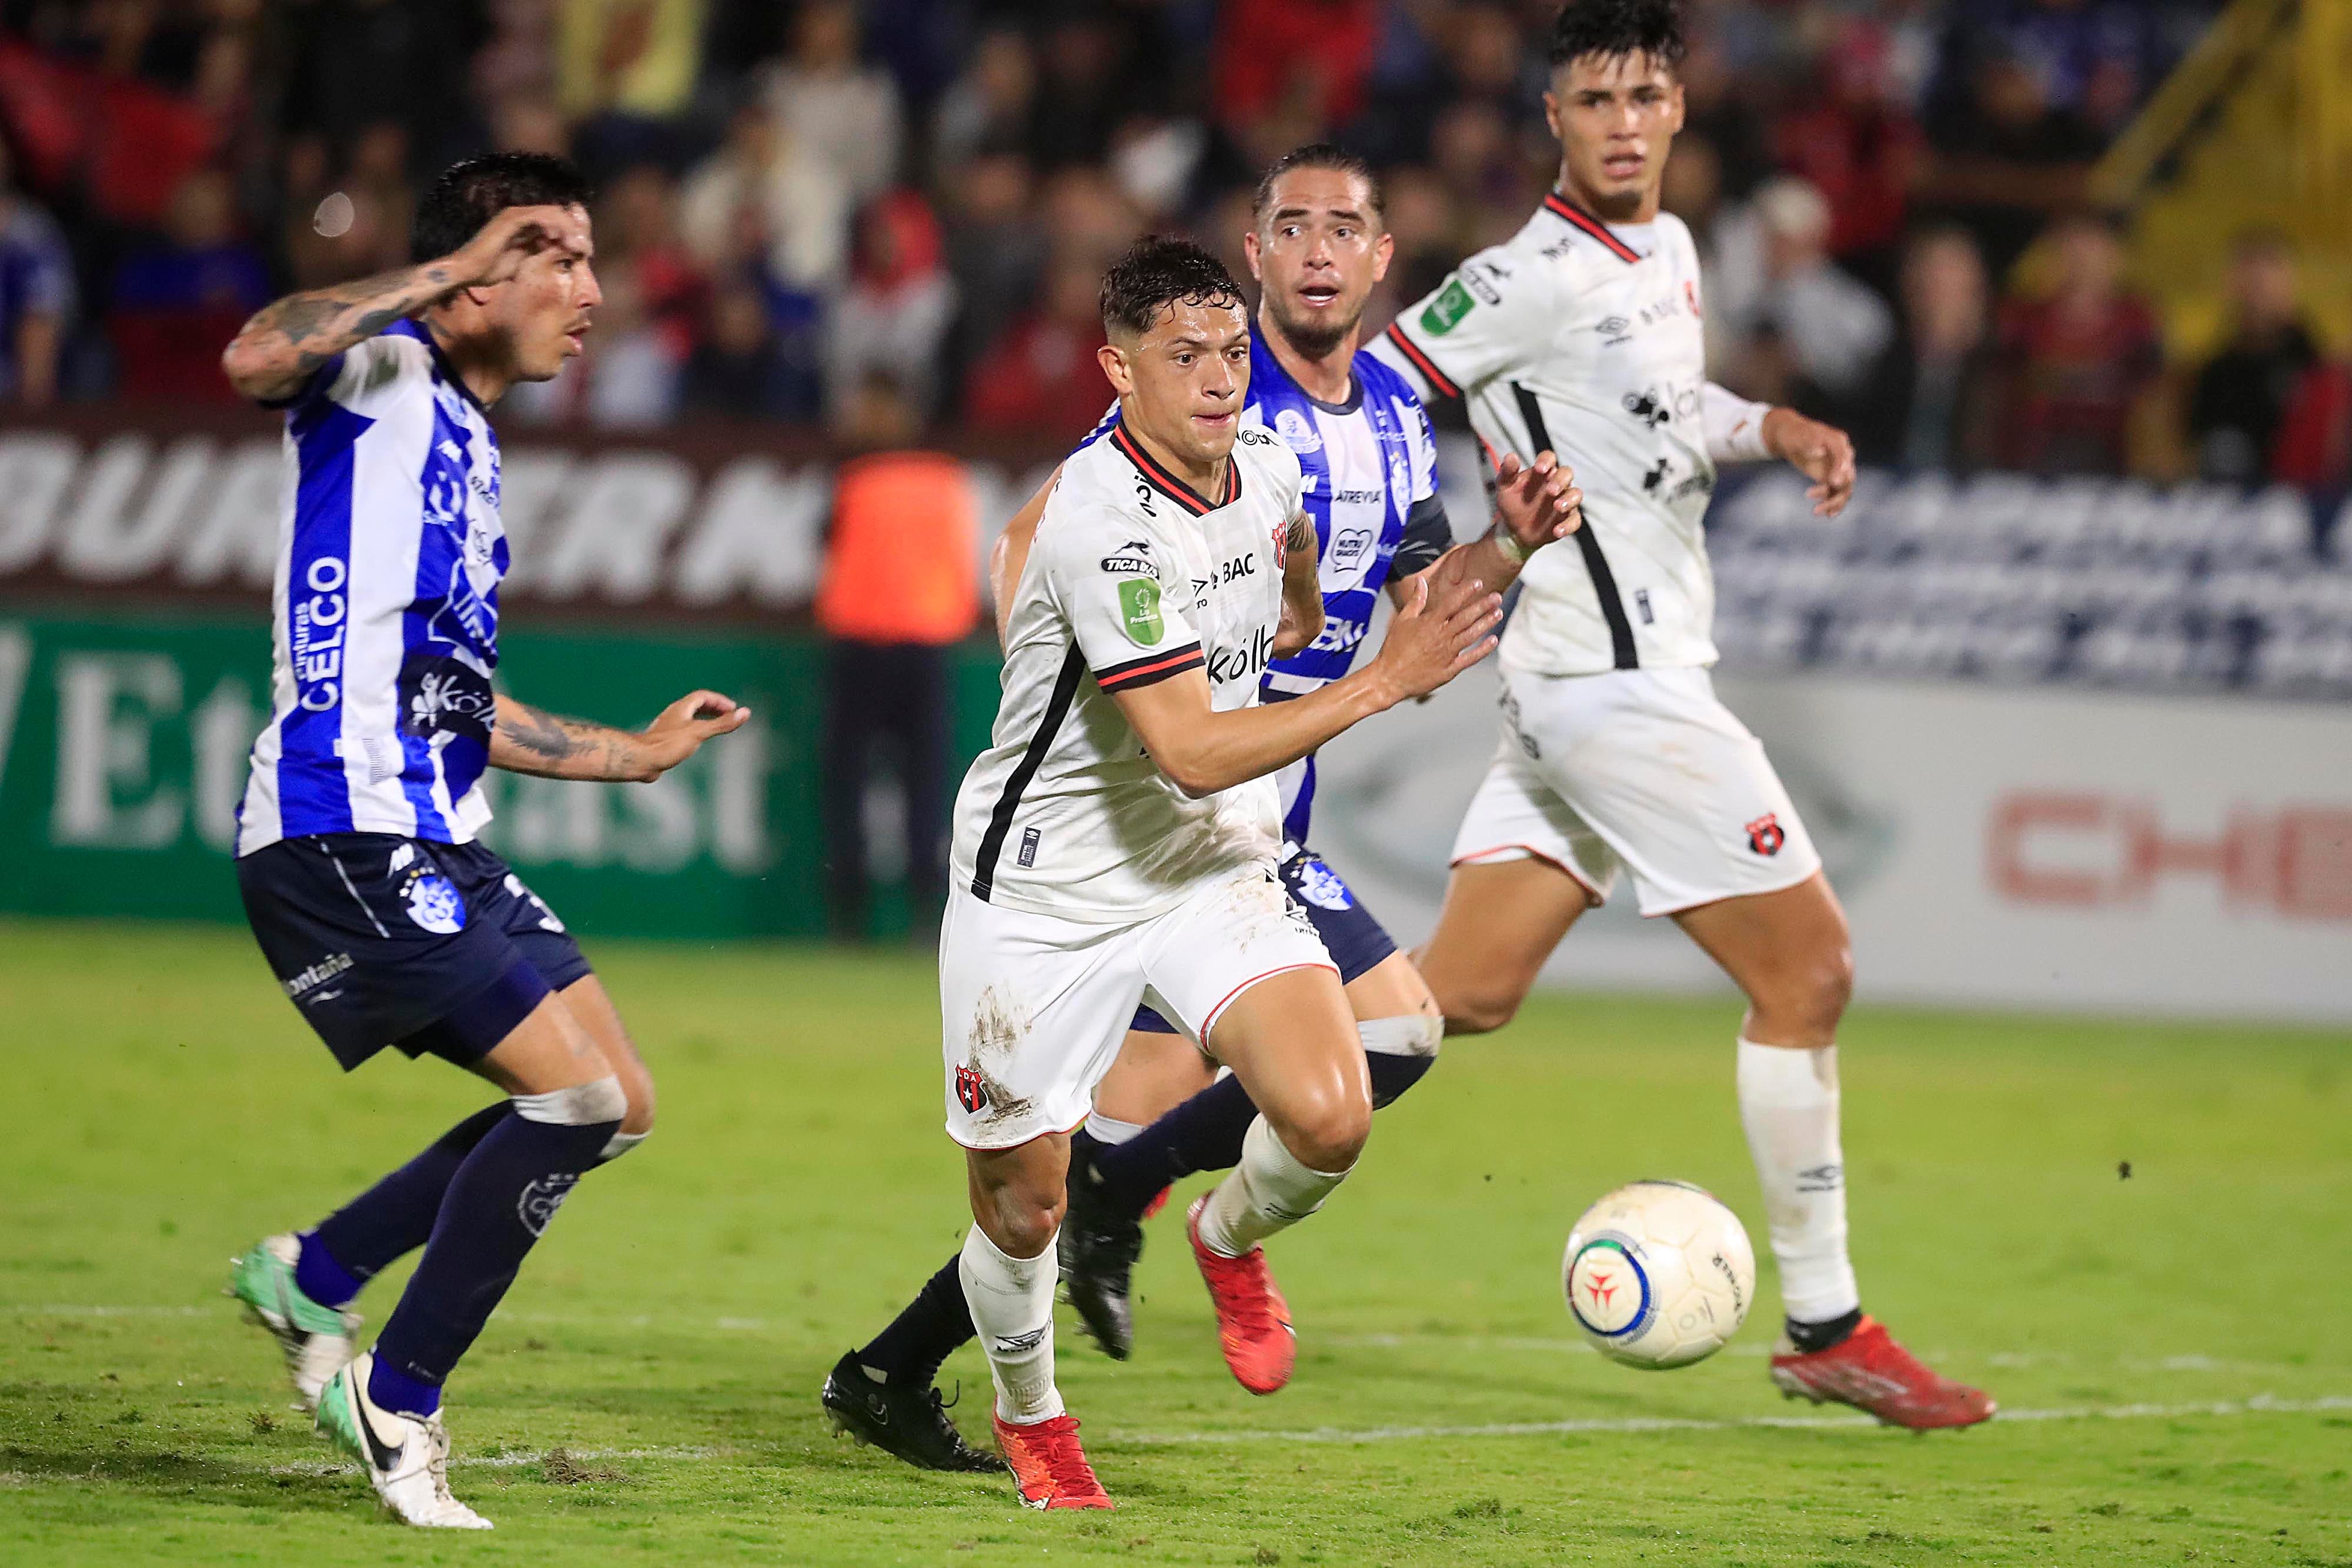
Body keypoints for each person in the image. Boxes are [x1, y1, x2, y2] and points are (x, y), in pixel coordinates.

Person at [1369, 0, 1995, 1431]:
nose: (1623, 123)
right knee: (1809, 975)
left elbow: (1658, 409)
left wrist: (1770, 427)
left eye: (1644, 96)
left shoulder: (1666, 247)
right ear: (1553, 117)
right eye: (1593, 100)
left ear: (1676, 109)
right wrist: (1417, 554)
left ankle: (1155, 1125)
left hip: (1604, 681)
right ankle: (1826, 1324)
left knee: (1454, 996)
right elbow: (1376, 388)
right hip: (1613, 688)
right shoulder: (1517, 275)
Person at [822, 236, 1504, 1509]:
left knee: (1332, 1110)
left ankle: (1220, 1233)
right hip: (1047, 891)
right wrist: (1381, 681)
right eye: (1183, 355)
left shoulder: (1264, 461)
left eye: (1232, 350)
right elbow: (1188, 750)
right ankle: (1031, 1415)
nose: (1218, 377)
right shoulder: (1101, 524)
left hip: (1202, 866)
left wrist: (1301, 604)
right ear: (1118, 370)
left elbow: (1288, 570)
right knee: (1024, 1208)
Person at [217, 153, 750, 1528]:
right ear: (472, 281)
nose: (590, 289)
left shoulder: (468, 435)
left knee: (619, 1104)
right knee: (569, 1103)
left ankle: (315, 1276)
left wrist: (627, 753)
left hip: (436, 828)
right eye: (555, 256)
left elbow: (448, 693)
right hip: (341, 827)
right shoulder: (383, 370)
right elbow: (255, 351)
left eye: (588, 257)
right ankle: (395, 1399)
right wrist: (443, 271)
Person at [1054, 145, 1582, 1365]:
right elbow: (1083, 521)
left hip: (1264, 810)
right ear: (1254, 253)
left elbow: (1422, 614)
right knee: (1060, 1153)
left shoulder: (1395, 417)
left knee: (1382, 1040)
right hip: (1156, 796)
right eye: (1290, 227)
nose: (1316, 251)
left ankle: (1199, 1224)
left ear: (1381, 256)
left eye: (1343, 228)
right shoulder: (1211, 397)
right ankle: (966, 1329)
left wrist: (1508, 545)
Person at [815, 372, 981, 937]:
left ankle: (859, 911)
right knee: (922, 783)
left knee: (858, 781)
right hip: (916, 645)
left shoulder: (855, 479)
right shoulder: (946, 478)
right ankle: (916, 912)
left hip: (874, 643)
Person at [2186, 229, 2320, 486]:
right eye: (2248, 269)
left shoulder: (2318, 370)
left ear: (2291, 281)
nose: (2258, 283)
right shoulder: (2214, 373)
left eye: (2269, 267)